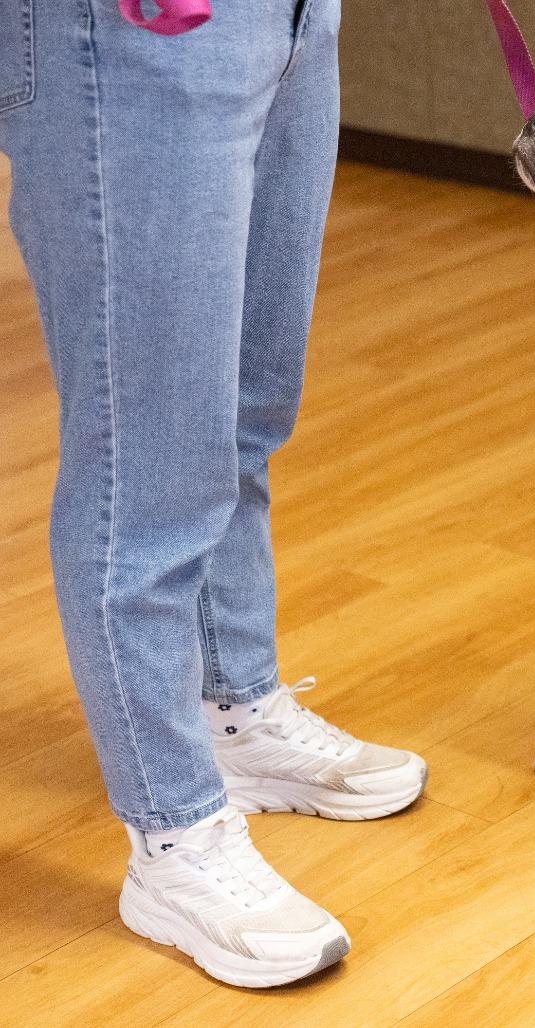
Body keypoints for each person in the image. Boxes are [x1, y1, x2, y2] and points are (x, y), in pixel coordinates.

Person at [0, 0, 425, 988]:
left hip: (287, 15)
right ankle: (175, 835)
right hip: (127, 29)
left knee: (243, 403)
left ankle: (234, 706)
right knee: (146, 457)